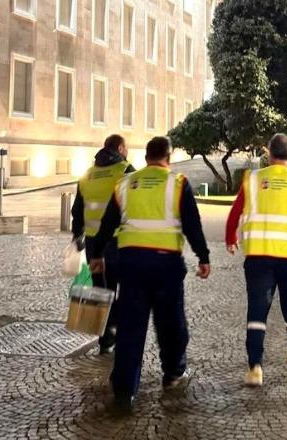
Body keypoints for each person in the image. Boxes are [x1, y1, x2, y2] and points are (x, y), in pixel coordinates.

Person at [89, 136, 211, 411]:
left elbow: (107, 224)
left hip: (130, 264)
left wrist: (96, 255)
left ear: (146, 157)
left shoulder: (125, 184)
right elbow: (193, 224)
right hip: (166, 266)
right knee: (171, 325)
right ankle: (173, 373)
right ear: (168, 157)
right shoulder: (177, 184)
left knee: (131, 328)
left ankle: (123, 391)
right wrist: (203, 257)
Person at [225, 133, 287, 387]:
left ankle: (255, 367)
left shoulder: (253, 179)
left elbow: (235, 212)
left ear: (269, 153)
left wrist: (230, 238)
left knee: (257, 309)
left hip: (257, 257)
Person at [71, 134, 135, 353]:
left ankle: (105, 338)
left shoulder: (87, 175)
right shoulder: (124, 170)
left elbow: (77, 209)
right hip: (118, 242)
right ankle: (117, 330)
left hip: (93, 245)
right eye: (126, 148)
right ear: (120, 148)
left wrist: (76, 235)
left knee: (101, 288)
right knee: (125, 288)